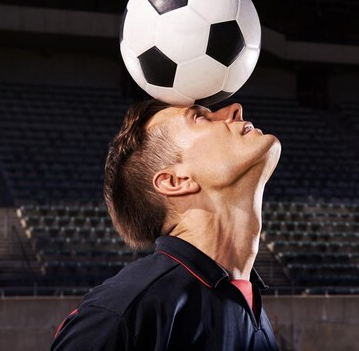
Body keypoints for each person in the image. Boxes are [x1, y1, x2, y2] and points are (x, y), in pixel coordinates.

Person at [51, 99, 282, 351]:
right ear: (175, 181)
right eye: (200, 118)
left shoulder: (247, 303)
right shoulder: (120, 315)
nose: (234, 109)